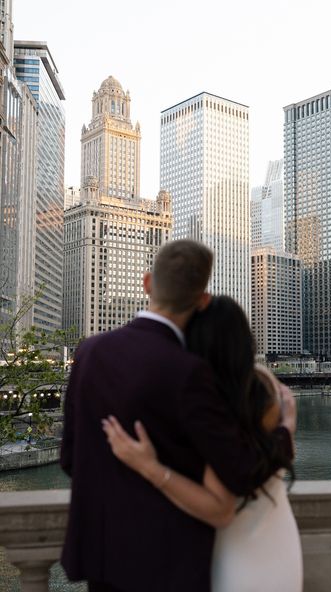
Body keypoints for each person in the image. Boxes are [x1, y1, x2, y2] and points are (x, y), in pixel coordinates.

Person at [60, 239, 295, 592]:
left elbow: (70, 459)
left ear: (147, 283)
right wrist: (286, 430)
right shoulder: (190, 371)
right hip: (169, 565)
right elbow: (241, 470)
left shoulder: (89, 351)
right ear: (202, 300)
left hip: (103, 559)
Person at [102, 295, 303, 592]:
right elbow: (278, 456)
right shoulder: (266, 383)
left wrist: (150, 467)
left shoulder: (212, 402)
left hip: (234, 556)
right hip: (280, 542)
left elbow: (219, 508)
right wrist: (287, 428)